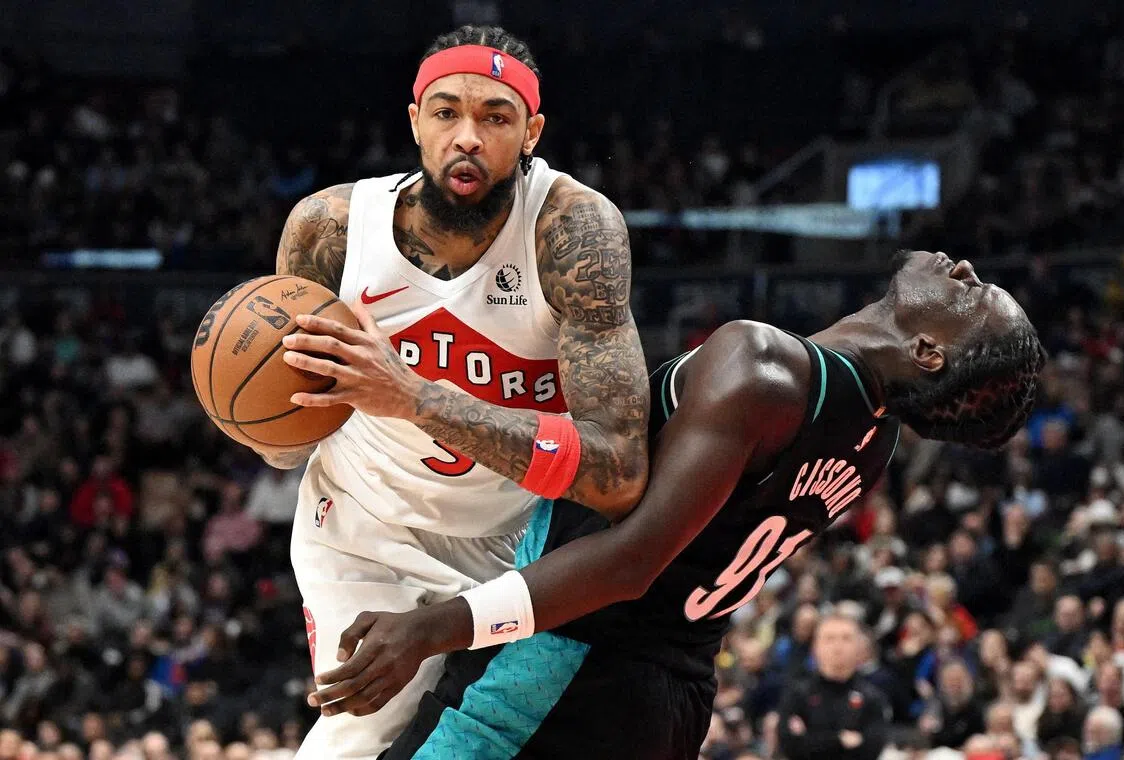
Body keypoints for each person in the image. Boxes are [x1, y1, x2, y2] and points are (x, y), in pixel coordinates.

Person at [309, 250, 1046, 760]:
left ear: (927, 353)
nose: (966, 272)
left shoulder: (761, 363)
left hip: (565, 671)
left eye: (973, 301)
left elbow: (633, 562)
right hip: (670, 705)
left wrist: (431, 629)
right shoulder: (870, 443)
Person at [252, 25, 651, 760]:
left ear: (531, 131)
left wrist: (415, 396)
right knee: (369, 734)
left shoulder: (571, 231)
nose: (467, 136)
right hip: (363, 525)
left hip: (514, 539)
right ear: (415, 122)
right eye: (446, 113)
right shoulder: (332, 229)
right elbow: (283, 441)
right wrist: (262, 420)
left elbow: (619, 473)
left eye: (495, 118)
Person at [778, 614, 891, 760]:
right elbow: (792, 746)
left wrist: (813, 739)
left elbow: (872, 748)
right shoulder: (797, 695)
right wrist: (839, 740)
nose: (838, 646)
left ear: (859, 647)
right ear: (815, 647)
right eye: (829, 639)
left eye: (846, 638)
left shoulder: (872, 697)